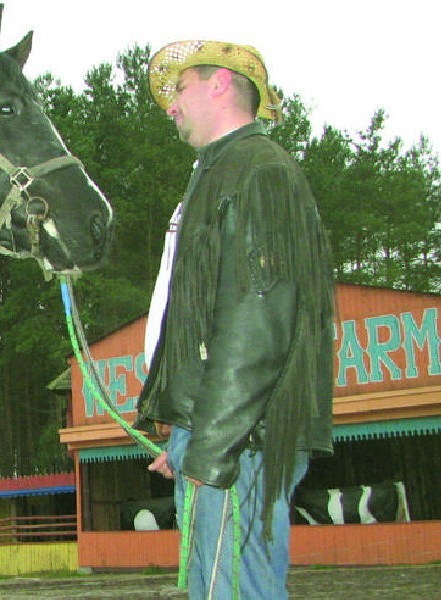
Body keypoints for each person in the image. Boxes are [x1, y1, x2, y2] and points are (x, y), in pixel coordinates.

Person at [136, 41, 334, 599]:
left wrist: (212, 446)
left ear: (220, 82)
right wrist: (181, 431)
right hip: (219, 436)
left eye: (179, 89)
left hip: (240, 442)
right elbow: (197, 321)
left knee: (235, 590)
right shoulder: (216, 176)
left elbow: (258, 325)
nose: (170, 106)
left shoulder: (259, 172)